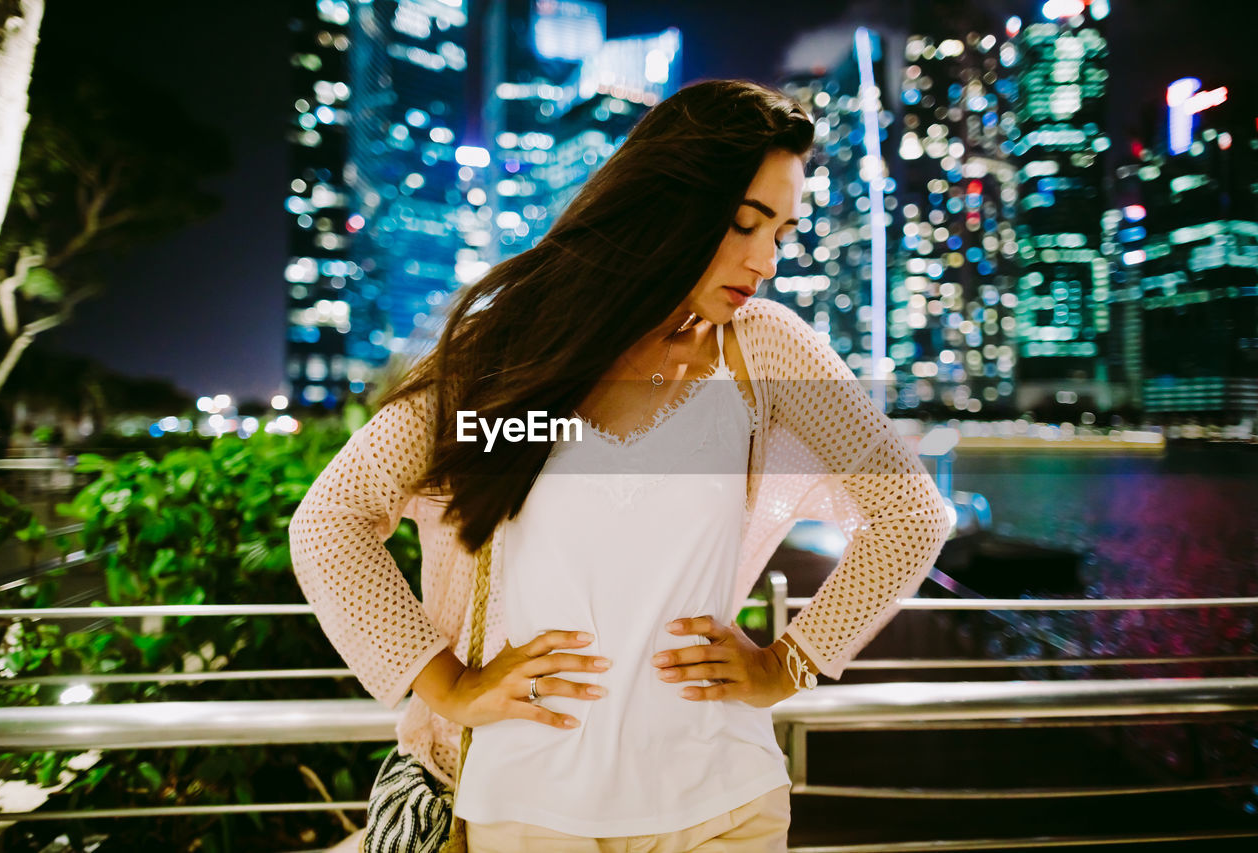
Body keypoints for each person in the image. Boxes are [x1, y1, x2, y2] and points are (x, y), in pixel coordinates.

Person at [290, 79, 952, 852]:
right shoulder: (507, 356)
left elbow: (912, 513)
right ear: (668, 207)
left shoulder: (764, 349)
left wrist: (790, 663)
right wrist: (450, 685)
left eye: (781, 232)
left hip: (727, 801)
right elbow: (332, 521)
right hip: (529, 804)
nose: (765, 260)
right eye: (745, 224)